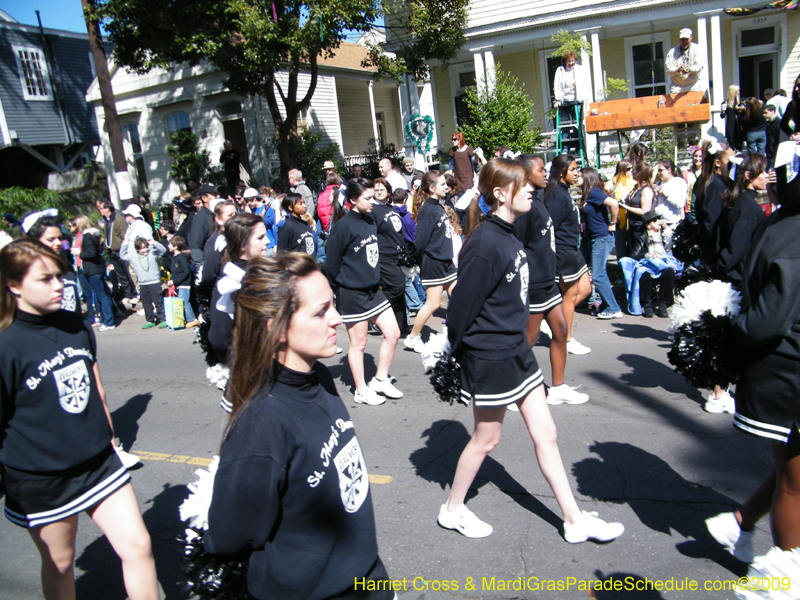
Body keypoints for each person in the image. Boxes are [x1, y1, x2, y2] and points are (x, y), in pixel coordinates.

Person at [438, 158, 624, 543]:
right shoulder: (484, 243)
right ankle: (452, 509)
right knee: (486, 439)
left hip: (518, 353)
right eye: (522, 185)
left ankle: (573, 520)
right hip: (492, 357)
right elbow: (460, 310)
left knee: (547, 431)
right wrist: (456, 362)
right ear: (499, 193)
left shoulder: (509, 233)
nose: (530, 190)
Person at [204, 253, 395, 599]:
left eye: (333, 305)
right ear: (275, 329)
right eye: (321, 312)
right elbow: (228, 534)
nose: (336, 318)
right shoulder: (263, 422)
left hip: (367, 577)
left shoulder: (316, 374)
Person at [0, 238, 159, 600]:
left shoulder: (75, 324)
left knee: (139, 546)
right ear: (13, 285)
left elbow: (95, 389)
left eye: (59, 276)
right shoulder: (6, 344)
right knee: (60, 565)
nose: (59, 285)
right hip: (43, 479)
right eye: (44, 279)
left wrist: (109, 436)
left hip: (99, 463)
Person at [705, 177, 800, 566]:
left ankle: (739, 523)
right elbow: (766, 321)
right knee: (795, 482)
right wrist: (730, 331)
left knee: (792, 473)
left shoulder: (778, 222)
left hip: (780, 366)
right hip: (786, 372)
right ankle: (785, 575)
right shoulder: (790, 235)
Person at [514, 155, 588, 406]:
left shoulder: (538, 200)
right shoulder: (525, 207)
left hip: (549, 281)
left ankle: (558, 388)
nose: (546, 173)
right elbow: (517, 247)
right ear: (525, 174)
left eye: (546, 169)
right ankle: (512, 390)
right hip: (534, 284)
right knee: (530, 339)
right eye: (540, 170)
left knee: (560, 331)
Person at [323, 178, 402, 406]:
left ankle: (379, 379)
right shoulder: (342, 227)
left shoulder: (370, 219)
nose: (373, 202)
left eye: (373, 197)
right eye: (368, 198)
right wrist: (341, 289)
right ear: (352, 200)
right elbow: (331, 265)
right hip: (352, 294)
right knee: (359, 344)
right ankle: (361, 390)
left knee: (393, 333)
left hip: (373, 291)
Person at [404, 171, 458, 353]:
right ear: (432, 188)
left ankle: (454, 332)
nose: (446, 187)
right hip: (434, 262)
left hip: (446, 262)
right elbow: (420, 242)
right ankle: (413, 338)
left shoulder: (437, 207)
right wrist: (418, 263)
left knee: (459, 296)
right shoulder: (428, 209)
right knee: (433, 304)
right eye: (442, 184)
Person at [544, 155, 592, 356]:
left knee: (585, 290)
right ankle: (565, 338)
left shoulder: (563, 193)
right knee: (569, 296)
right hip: (563, 253)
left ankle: (551, 318)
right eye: (572, 169)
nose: (577, 173)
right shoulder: (556, 196)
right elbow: (549, 228)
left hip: (574, 251)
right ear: (562, 172)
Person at [208, 213, 268, 369]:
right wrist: (245, 367)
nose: (267, 242)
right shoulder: (232, 281)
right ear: (242, 244)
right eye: (260, 238)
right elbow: (219, 338)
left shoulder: (262, 273)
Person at [580, 168, 622, 320]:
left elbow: (614, 204)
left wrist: (613, 223)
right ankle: (605, 305)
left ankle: (614, 308)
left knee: (598, 275)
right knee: (595, 273)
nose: (576, 177)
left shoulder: (594, 192)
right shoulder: (587, 194)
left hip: (602, 238)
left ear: (587, 178)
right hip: (592, 238)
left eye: (579, 175)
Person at [371, 178, 407, 333]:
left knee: (400, 291)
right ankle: (376, 315)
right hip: (383, 255)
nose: (379, 192)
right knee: (397, 287)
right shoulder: (372, 210)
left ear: (388, 192)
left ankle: (400, 325)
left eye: (382, 189)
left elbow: (399, 230)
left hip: (397, 254)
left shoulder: (391, 209)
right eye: (376, 189)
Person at [75, 215, 116, 331]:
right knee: (102, 294)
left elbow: (91, 253)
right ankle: (106, 319)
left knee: (101, 295)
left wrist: (79, 253)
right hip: (96, 268)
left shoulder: (88, 236)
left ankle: (108, 321)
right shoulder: (93, 235)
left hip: (93, 269)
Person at [693, 139, 735, 247]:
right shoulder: (715, 185)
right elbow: (712, 221)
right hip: (712, 246)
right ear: (718, 162)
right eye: (729, 161)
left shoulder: (707, 180)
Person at [121, 238, 167, 329]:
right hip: (143, 283)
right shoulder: (133, 256)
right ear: (137, 249)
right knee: (146, 303)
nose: (145, 250)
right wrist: (124, 245)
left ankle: (163, 319)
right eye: (142, 248)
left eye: (146, 247)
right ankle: (150, 320)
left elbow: (163, 250)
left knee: (158, 302)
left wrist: (154, 243)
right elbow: (122, 256)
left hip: (154, 282)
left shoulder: (152, 253)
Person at [98, 200, 135, 302]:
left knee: (127, 272)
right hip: (112, 251)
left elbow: (124, 235)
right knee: (120, 274)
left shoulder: (118, 220)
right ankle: (127, 293)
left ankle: (133, 293)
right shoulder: (106, 221)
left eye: (101, 208)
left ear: (107, 209)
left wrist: (122, 246)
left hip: (120, 250)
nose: (99, 210)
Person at [620, 164, 656, 258]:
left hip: (641, 228)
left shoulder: (646, 190)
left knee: (637, 256)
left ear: (641, 173)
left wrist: (626, 207)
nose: (631, 172)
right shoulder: (637, 187)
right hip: (632, 227)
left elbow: (645, 211)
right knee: (631, 254)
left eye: (634, 170)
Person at [654, 159, 688, 250]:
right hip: (658, 224)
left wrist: (667, 195)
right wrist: (655, 195)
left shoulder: (678, 182)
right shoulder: (659, 183)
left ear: (669, 170)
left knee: (671, 253)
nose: (658, 173)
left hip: (671, 224)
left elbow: (680, 204)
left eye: (661, 170)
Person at [166, 235, 198, 328]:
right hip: (178, 284)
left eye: (170, 244)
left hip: (183, 284)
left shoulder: (181, 258)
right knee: (181, 302)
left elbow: (185, 272)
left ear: (175, 246)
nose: (168, 246)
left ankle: (192, 319)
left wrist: (174, 281)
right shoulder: (175, 257)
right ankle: (185, 319)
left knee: (184, 302)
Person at [552, 50, 591, 127]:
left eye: (573, 61)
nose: (571, 63)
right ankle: (565, 137)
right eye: (568, 61)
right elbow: (556, 86)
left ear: (575, 60)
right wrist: (558, 99)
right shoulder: (560, 71)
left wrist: (584, 98)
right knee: (564, 124)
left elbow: (584, 85)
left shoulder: (580, 69)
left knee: (577, 124)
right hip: (564, 101)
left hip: (576, 101)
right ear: (565, 62)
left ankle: (578, 138)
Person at [665, 28, 705, 93]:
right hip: (677, 87)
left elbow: (699, 66)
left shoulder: (697, 49)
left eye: (686, 39)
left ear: (691, 37)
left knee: (697, 101)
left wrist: (690, 69)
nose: (684, 42)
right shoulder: (672, 52)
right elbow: (668, 70)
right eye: (682, 40)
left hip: (693, 85)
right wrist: (678, 70)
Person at [277, 193, 317, 257]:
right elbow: (281, 254)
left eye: (304, 203)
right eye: (300, 204)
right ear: (290, 207)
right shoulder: (287, 228)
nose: (304, 206)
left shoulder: (305, 224)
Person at [722, 85, 743, 150]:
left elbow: (744, 114)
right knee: (731, 145)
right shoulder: (726, 103)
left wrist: (740, 109)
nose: (739, 92)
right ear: (733, 92)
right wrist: (723, 111)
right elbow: (722, 116)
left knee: (739, 145)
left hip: (738, 125)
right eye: (737, 91)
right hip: (730, 125)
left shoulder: (740, 102)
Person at [765, 104, 781, 170]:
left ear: (772, 112)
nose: (764, 115)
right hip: (769, 151)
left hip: (776, 151)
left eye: (766, 113)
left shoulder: (779, 122)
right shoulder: (768, 123)